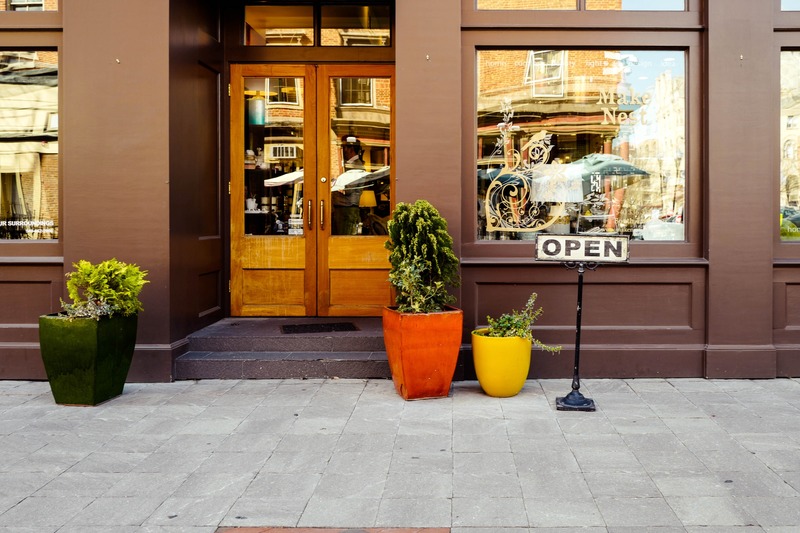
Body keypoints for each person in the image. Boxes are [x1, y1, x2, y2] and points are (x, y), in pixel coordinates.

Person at [332, 136, 364, 235]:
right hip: (346, 209)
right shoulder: (351, 165)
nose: (343, 150)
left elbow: (348, 189)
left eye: (344, 147)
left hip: (347, 210)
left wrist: (334, 185)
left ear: (351, 149)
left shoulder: (355, 166)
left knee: (345, 239)